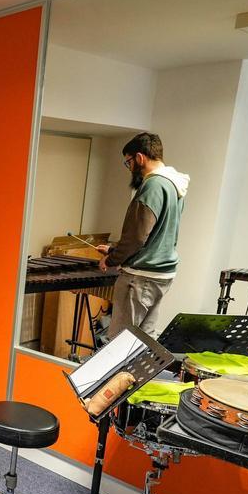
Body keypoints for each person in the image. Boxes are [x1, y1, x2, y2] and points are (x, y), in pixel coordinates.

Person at [95, 132, 190, 339]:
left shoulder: (153, 185)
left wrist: (111, 259)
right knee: (140, 341)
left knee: (119, 342)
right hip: (161, 275)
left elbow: (138, 237)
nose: (129, 168)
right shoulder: (175, 185)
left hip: (140, 277)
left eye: (128, 162)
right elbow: (157, 235)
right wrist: (114, 249)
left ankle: (118, 373)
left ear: (140, 158)